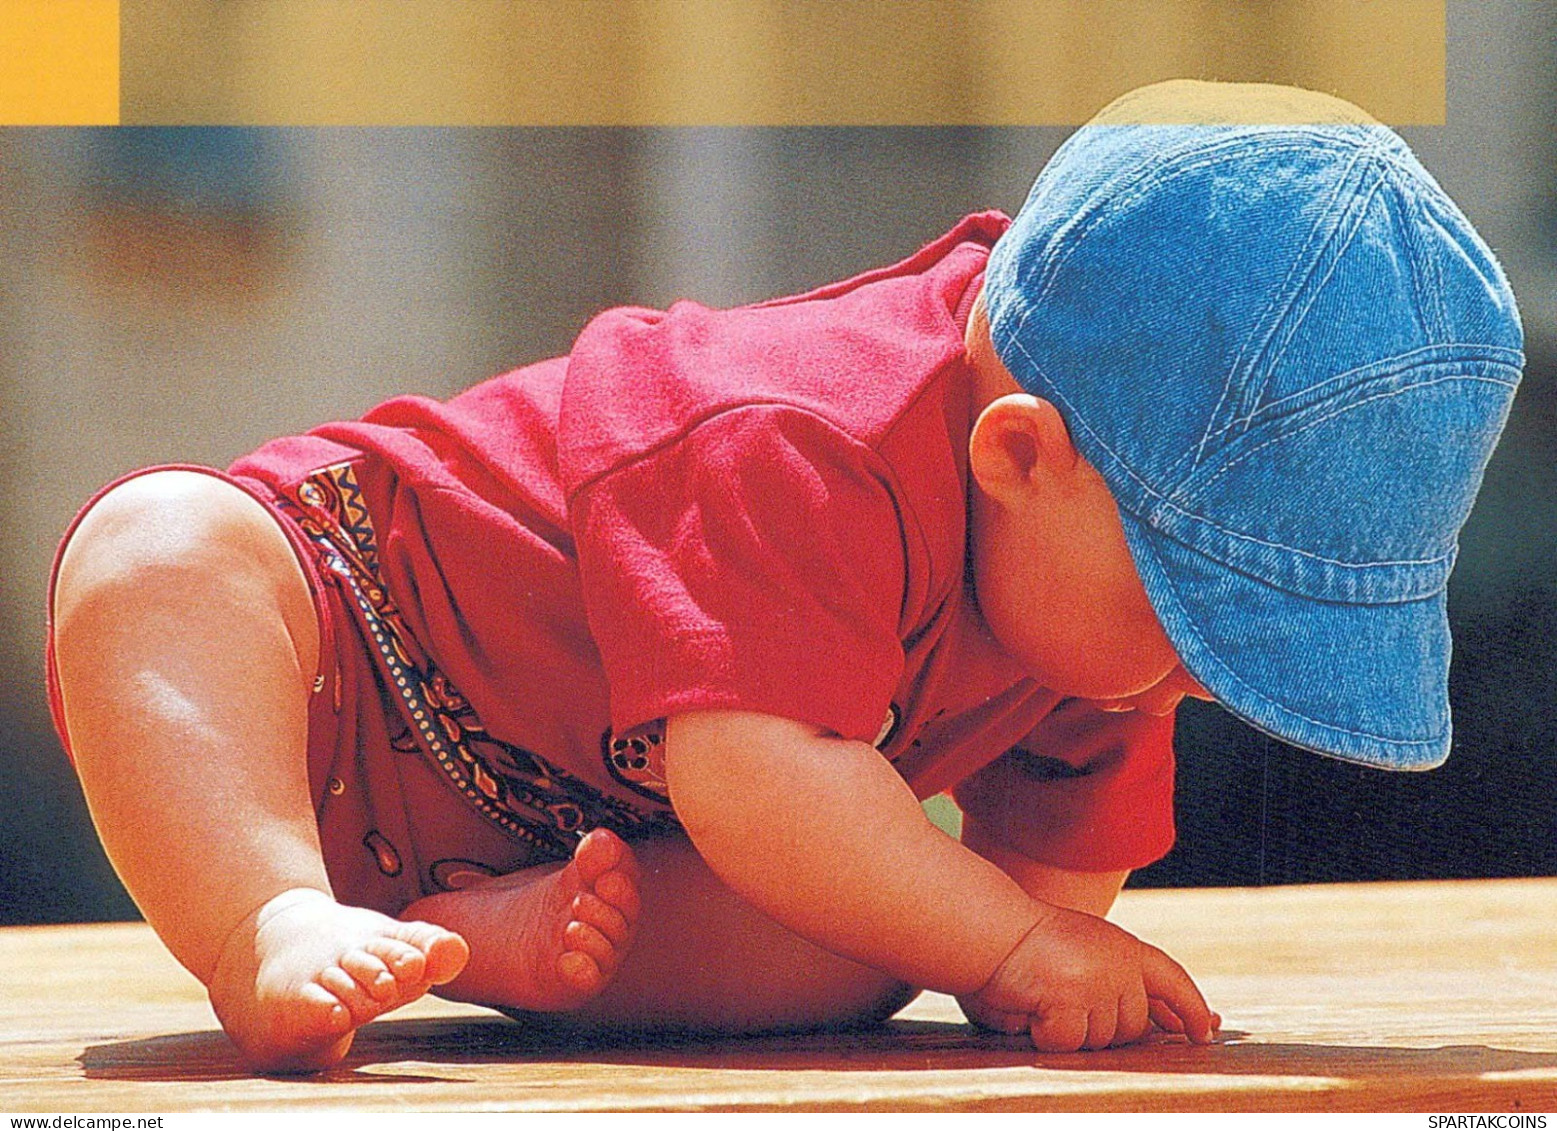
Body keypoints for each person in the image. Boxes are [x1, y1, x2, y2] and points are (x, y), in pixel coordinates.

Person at [45, 80, 1523, 1072]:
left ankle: (467, 942)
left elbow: (1034, 889)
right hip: (347, 642)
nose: (1198, 675)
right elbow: (755, 775)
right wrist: (1010, 945)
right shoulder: (807, 435)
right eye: (1192, 608)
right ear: (1017, 456)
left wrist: (1041, 961)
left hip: (576, 851)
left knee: (858, 948)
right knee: (159, 550)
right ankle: (269, 918)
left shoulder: (1091, 618)